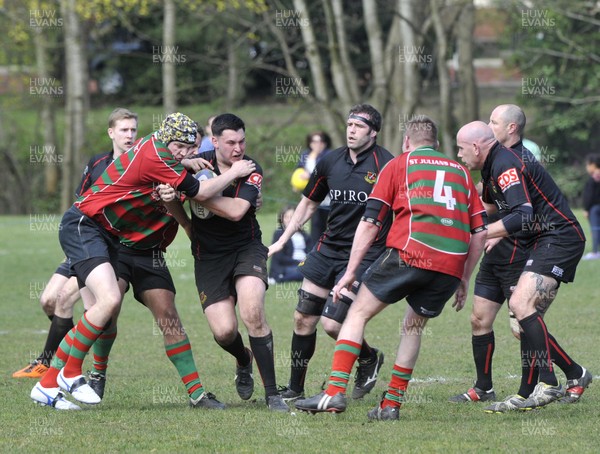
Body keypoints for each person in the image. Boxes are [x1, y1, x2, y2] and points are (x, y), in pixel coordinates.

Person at [30, 112, 255, 410]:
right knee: (106, 307)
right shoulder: (158, 158)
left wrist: (185, 179)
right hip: (105, 236)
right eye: (187, 149)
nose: (191, 154)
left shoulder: (161, 151)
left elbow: (178, 184)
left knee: (166, 316)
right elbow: (198, 190)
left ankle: (196, 393)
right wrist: (234, 172)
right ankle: (76, 374)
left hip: (146, 251)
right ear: (172, 142)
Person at [293, 116, 487, 420]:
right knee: (413, 326)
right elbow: (480, 232)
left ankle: (334, 392)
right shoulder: (461, 172)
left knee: (357, 312)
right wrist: (463, 278)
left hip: (411, 252)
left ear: (406, 142)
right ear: (436, 145)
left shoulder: (398, 164)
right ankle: (391, 404)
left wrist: (350, 272)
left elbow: (370, 223)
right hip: (450, 262)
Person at [450, 104, 593, 410]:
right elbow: (488, 206)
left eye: (461, 150)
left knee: (521, 308)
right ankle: (562, 379)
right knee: (520, 313)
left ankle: (552, 380)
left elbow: (522, 213)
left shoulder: (507, 163)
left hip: (559, 235)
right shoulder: (493, 164)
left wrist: (484, 234)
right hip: (540, 238)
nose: (460, 156)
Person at [160, 113, 289, 412]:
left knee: (253, 312)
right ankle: (243, 359)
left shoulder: (250, 168)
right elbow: (170, 193)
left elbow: (235, 211)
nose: (238, 148)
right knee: (224, 332)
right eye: (230, 142)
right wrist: (185, 220)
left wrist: (195, 193)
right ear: (214, 141)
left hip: (247, 248)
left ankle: (272, 395)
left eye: (242, 141)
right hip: (209, 256)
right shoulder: (196, 163)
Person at [268, 104, 392, 402]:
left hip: (365, 254)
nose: (351, 130)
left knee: (333, 324)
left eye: (359, 126)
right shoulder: (330, 161)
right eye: (349, 124)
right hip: (327, 248)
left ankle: (369, 357)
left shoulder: (387, 164)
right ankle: (296, 389)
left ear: (373, 132)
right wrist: (284, 239)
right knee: (302, 319)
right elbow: (309, 203)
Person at [14, 108, 138, 379]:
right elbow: (80, 204)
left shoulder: (141, 166)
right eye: (124, 130)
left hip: (105, 250)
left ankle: (52, 364)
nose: (129, 135)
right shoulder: (97, 164)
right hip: (83, 241)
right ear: (111, 133)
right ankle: (64, 354)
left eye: (133, 130)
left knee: (66, 302)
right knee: (47, 300)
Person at [295, 131, 332, 244]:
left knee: (327, 225)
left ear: (325, 143)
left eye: (320, 141)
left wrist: (309, 176)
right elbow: (299, 170)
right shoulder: (305, 155)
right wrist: (296, 184)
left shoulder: (329, 155)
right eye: (314, 141)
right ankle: (314, 249)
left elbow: (325, 174)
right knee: (314, 225)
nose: (317, 144)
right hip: (309, 196)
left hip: (326, 197)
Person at [269, 205, 312, 284]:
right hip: (287, 266)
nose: (289, 220)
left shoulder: (304, 235)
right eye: (286, 217)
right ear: (282, 219)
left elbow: (310, 252)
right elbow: (280, 258)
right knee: (301, 272)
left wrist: (307, 263)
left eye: (292, 217)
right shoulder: (279, 234)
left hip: (304, 265)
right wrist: (299, 262)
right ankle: (278, 278)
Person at [582, 153, 600, 260]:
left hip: (594, 209)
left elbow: (589, 196)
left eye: (587, 165)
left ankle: (595, 252)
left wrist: (586, 209)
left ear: (593, 165)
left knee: (595, 229)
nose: (587, 167)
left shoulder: (593, 178)